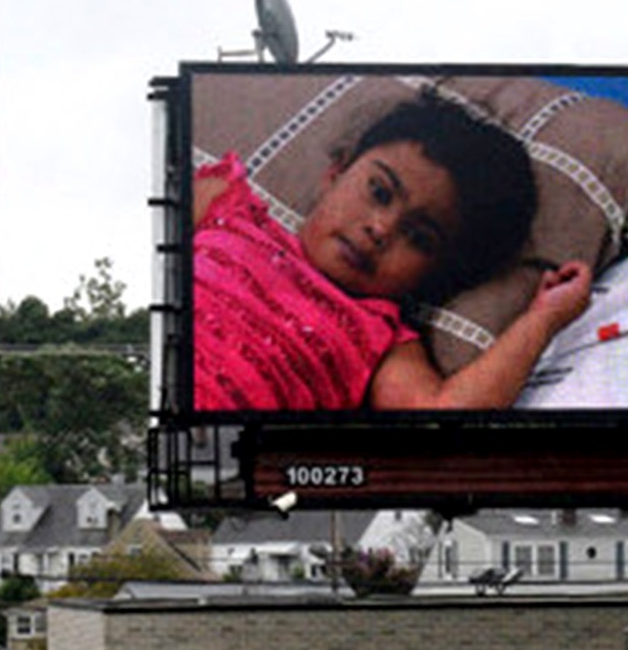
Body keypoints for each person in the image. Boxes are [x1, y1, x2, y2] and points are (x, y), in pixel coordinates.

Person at [191, 88, 593, 410]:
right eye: (379, 192)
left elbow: (444, 413)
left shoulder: (381, 338)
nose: (380, 229)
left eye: (419, 238)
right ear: (336, 172)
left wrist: (543, 319)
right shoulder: (225, 203)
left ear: (436, 273)